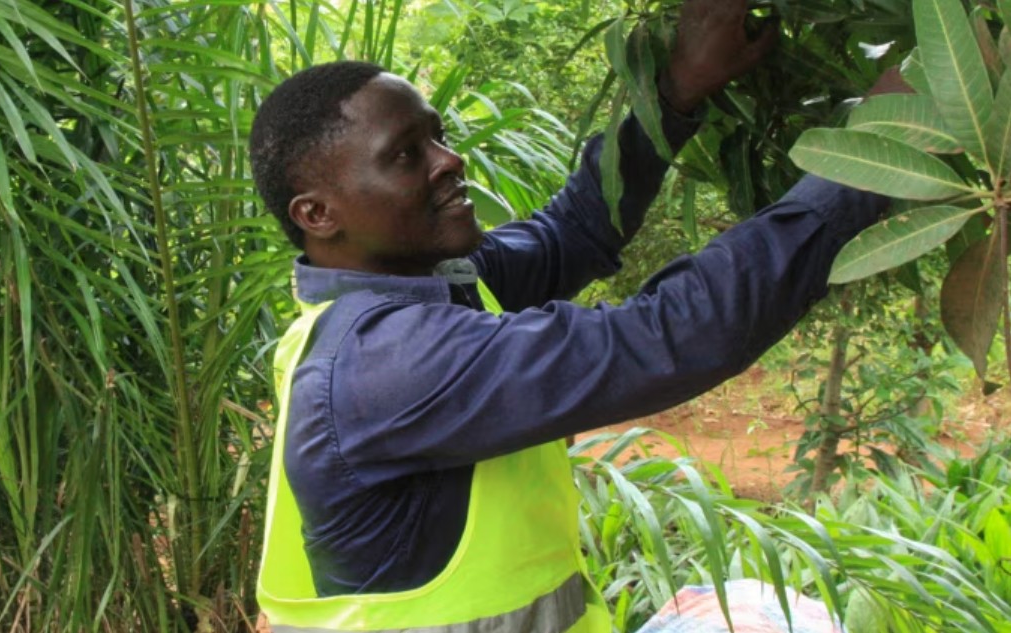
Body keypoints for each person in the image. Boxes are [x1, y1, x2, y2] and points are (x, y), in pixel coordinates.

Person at [249, 0, 889, 630]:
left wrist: (674, 92)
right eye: (406, 154)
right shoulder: (386, 363)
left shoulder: (431, 281)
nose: (450, 160)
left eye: (438, 136)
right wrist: (880, 148)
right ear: (317, 215)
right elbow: (674, 334)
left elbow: (574, 230)